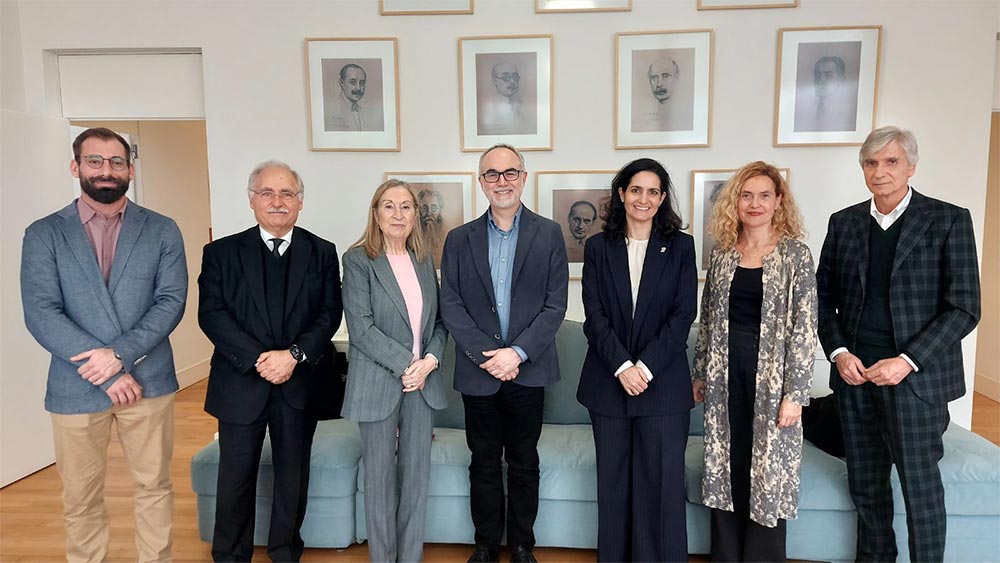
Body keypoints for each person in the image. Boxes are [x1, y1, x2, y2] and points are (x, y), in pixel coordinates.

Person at [20, 127, 188, 563]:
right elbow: (41, 311)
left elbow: (171, 303)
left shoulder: (162, 229)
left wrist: (119, 356)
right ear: (76, 167)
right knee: (80, 497)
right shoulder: (43, 234)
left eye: (116, 162)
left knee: (154, 487)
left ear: (130, 169)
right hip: (77, 384)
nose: (106, 170)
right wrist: (107, 367)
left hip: (148, 379)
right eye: (95, 161)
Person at [817, 126, 981, 562]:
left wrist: (908, 361)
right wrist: (839, 353)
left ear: (911, 166)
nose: (880, 171)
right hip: (856, 380)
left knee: (920, 491)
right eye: (871, 163)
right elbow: (822, 299)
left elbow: (964, 308)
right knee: (867, 491)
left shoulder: (948, 219)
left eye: (891, 162)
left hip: (914, 383)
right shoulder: (844, 222)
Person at [198, 160, 343, 562]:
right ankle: (229, 555)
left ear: (300, 202)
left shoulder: (322, 252)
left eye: (287, 194)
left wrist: (293, 356)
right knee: (235, 477)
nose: (277, 202)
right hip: (241, 381)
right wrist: (260, 359)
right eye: (267, 193)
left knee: (292, 476)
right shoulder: (221, 252)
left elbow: (329, 313)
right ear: (252, 200)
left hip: (298, 383)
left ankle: (284, 552)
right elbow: (211, 314)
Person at [440, 143, 569, 563]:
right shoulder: (459, 239)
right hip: (479, 373)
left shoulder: (549, 233)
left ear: (524, 178)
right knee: (483, 462)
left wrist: (516, 353)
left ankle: (521, 545)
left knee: (523, 461)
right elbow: (452, 305)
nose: (502, 181)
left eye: (510, 172)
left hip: (528, 370)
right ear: (481, 182)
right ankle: (485, 544)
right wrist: (489, 355)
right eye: (492, 174)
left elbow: (555, 305)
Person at [691, 161, 817, 562]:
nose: (755, 203)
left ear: (779, 201)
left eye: (765, 195)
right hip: (723, 376)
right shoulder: (724, 253)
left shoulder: (796, 254)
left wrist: (795, 393)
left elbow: (804, 326)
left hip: (774, 381)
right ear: (736, 202)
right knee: (726, 466)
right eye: (747, 195)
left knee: (766, 471)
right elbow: (707, 317)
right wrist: (699, 373)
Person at [576, 158, 697, 562]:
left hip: (662, 387)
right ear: (621, 194)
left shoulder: (681, 246)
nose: (643, 199)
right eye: (635, 190)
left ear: (662, 198)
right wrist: (622, 368)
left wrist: (642, 368)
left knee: (661, 489)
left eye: (652, 191)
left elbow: (683, 316)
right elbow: (594, 317)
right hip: (608, 386)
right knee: (612, 488)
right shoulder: (597, 247)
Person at [341, 179, 449, 563]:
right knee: (381, 482)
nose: (398, 214)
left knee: (416, 480)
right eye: (389, 206)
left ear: (415, 215)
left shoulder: (423, 260)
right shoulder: (357, 261)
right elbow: (362, 329)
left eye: (406, 206)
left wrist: (429, 363)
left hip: (422, 386)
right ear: (376, 214)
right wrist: (409, 365)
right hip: (377, 385)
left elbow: (439, 324)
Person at [795, 55, 855, 132]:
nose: (820, 80)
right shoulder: (804, 108)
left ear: (841, 80)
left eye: (828, 75)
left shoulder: (849, 112)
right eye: (817, 75)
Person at [479, 62, 532, 136]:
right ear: (494, 81)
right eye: (506, 77)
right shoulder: (487, 110)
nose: (512, 81)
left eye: (515, 77)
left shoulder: (523, 108)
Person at [326, 63, 374, 131]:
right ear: (341, 83)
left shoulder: (367, 111)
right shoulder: (331, 110)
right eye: (353, 82)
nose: (358, 88)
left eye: (362, 83)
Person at [418, 188, 446, 265]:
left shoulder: (448, 237)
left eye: (433, 208)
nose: (429, 212)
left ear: (440, 211)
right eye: (424, 208)